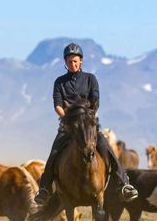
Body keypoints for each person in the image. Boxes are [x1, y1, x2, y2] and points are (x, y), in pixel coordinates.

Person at [34, 43, 138, 206]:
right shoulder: (59, 82)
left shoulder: (90, 79)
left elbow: (95, 101)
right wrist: (67, 119)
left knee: (106, 148)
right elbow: (57, 105)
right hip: (68, 126)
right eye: (69, 61)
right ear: (65, 62)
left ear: (81, 61)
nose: (73, 64)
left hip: (89, 125)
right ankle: (45, 189)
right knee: (54, 152)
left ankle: (124, 184)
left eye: (75, 61)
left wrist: (86, 116)